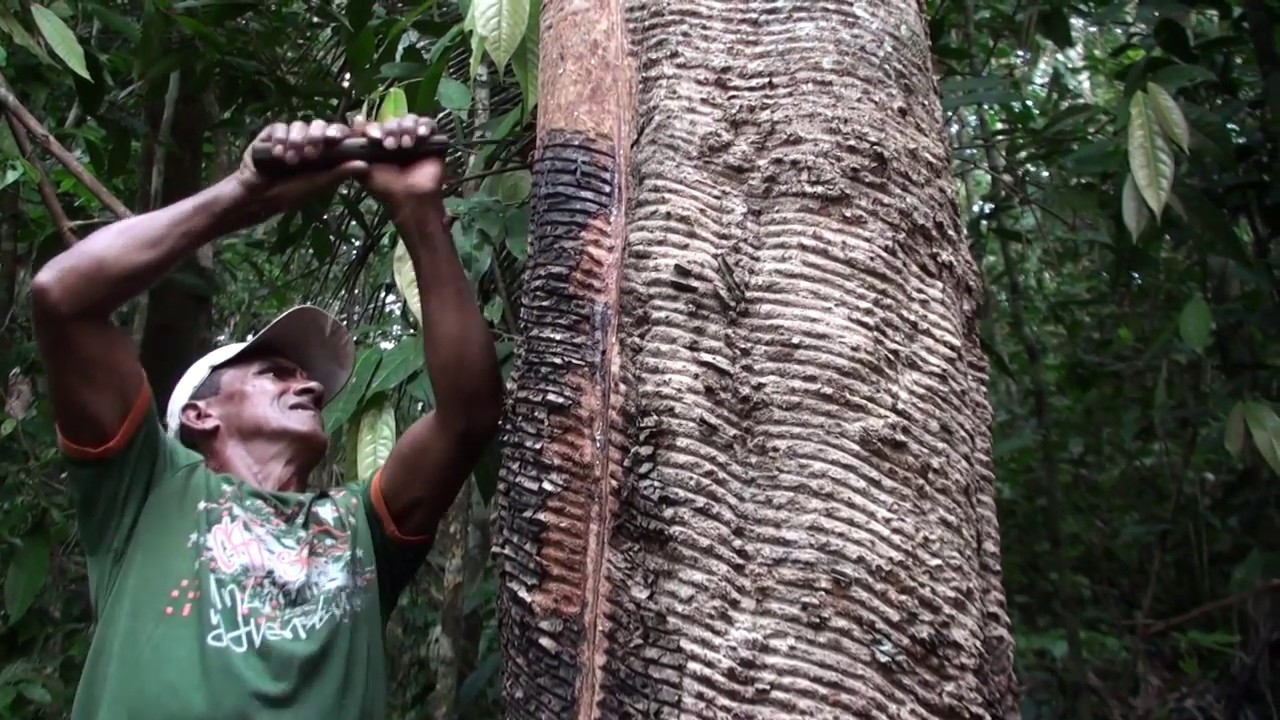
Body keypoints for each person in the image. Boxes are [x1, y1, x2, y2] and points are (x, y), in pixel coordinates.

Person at [30, 115, 503, 719]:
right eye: (276, 373)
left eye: (304, 378)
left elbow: (468, 415)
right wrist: (243, 193)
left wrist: (419, 212)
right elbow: (62, 297)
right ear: (200, 414)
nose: (310, 385)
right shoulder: (147, 492)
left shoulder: (361, 530)